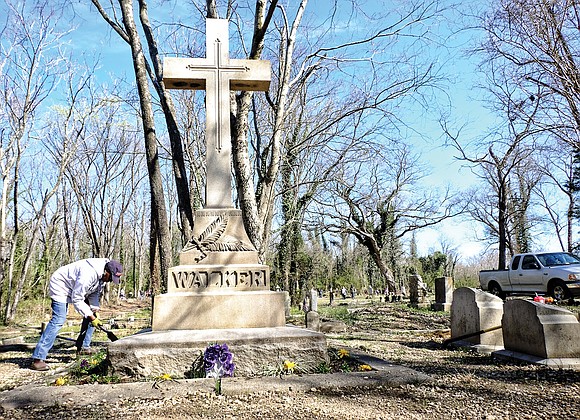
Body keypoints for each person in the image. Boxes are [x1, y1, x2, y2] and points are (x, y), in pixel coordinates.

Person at [30, 258, 123, 371]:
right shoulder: (88, 274)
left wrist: (94, 310)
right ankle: (38, 358)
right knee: (59, 319)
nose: (110, 281)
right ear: (106, 272)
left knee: (91, 315)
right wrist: (91, 315)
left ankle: (84, 347)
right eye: (111, 278)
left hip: (75, 288)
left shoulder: (102, 276)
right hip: (61, 286)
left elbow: (94, 293)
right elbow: (77, 299)